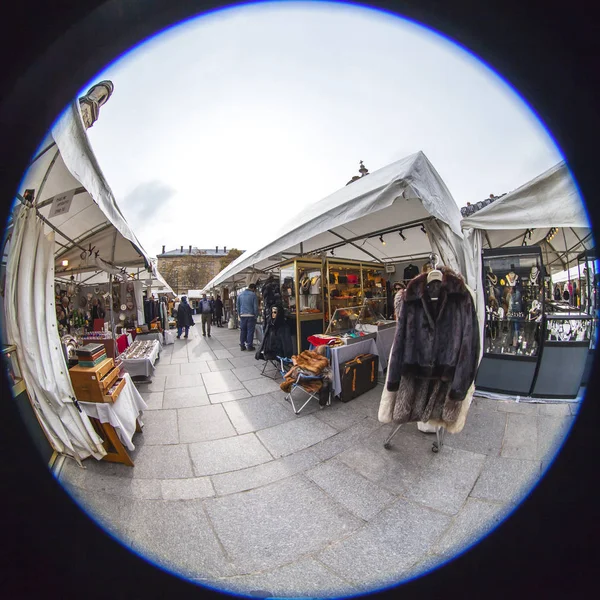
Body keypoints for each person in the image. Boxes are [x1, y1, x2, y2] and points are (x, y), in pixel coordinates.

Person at [236, 283, 258, 351]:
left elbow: (238, 306)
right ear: (253, 289)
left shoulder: (240, 295)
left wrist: (239, 314)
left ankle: (242, 345)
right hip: (251, 315)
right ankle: (249, 346)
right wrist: (256, 316)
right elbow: (255, 307)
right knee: (250, 331)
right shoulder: (253, 295)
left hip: (242, 315)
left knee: (243, 331)